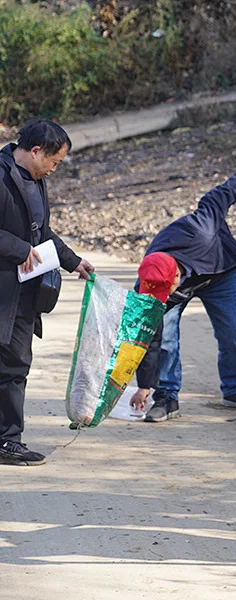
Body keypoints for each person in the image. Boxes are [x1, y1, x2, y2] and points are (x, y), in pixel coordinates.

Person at [128, 167, 236, 422]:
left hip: (218, 272)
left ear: (176, 279)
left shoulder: (200, 229)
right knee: (166, 338)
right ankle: (167, 396)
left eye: (164, 290)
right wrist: (144, 385)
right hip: (188, 277)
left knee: (231, 333)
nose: (160, 296)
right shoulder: (149, 280)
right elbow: (150, 338)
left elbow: (218, 197)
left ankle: (234, 390)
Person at [0, 120, 94, 466]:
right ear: (35, 151)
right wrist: (16, 247)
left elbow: (42, 232)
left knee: (15, 366)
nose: (55, 169)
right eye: (53, 161)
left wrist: (73, 262)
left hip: (24, 294)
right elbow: (20, 239)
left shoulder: (36, 181)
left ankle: (8, 441)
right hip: (2, 292)